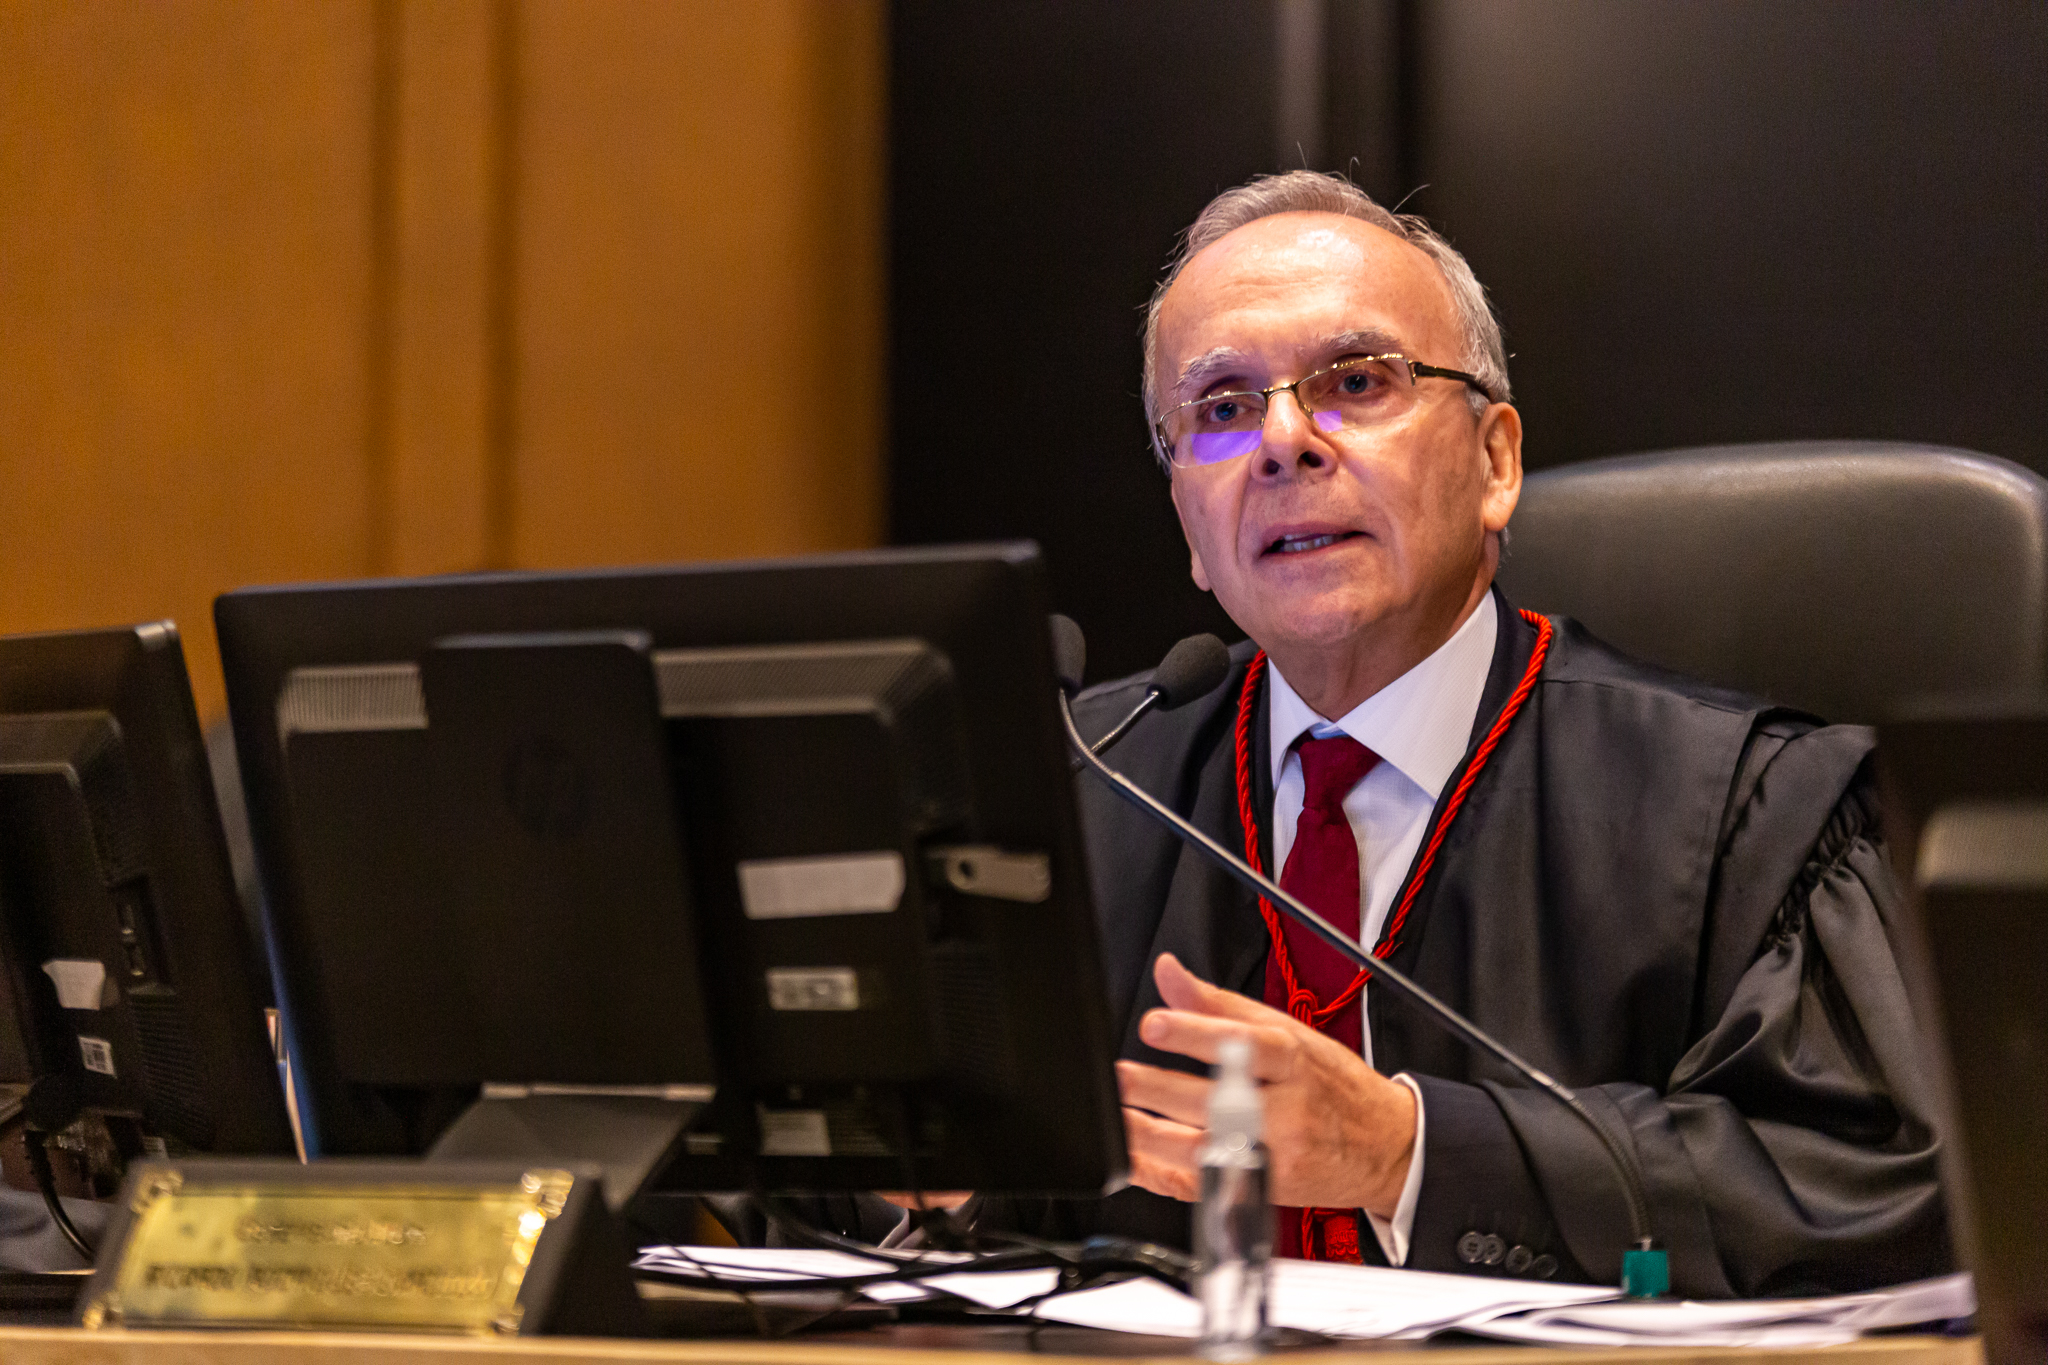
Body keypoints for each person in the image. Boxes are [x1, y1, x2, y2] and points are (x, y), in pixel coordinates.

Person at [1063, 170, 1949, 1296]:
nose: (1282, 442)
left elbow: (1881, 1187)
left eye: (1354, 380)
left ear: (1494, 463)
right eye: (1222, 409)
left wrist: (1409, 1154)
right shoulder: (1085, 788)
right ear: (1187, 521)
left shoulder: (1751, 809)